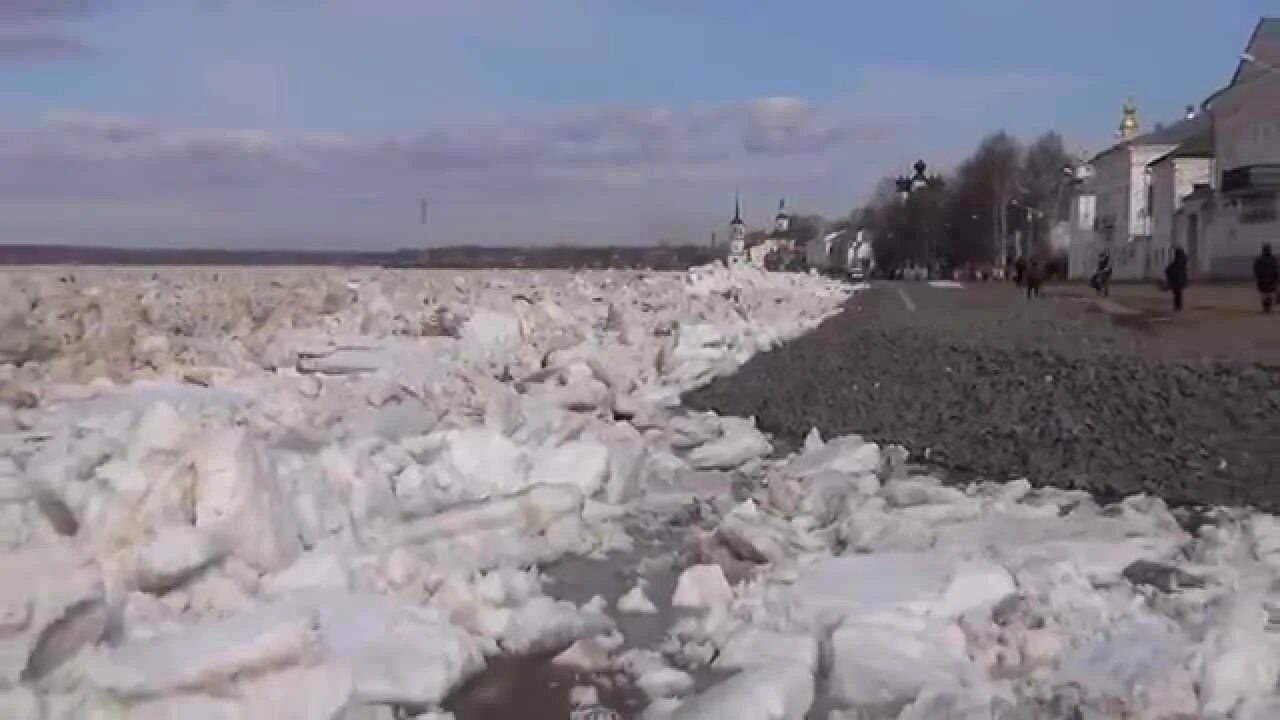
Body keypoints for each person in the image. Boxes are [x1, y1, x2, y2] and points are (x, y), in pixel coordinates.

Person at [1256, 243, 1279, 313]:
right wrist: (1277, 279)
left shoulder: (1259, 259)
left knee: (1264, 294)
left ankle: (1266, 308)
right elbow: (1276, 269)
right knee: (1269, 294)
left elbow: (1256, 269)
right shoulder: (1273, 259)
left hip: (1263, 279)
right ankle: (1268, 308)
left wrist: (1258, 277)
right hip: (1271, 279)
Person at [1165, 247, 1189, 312]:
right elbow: (1168, 270)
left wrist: (1170, 278)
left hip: (1177, 281)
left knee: (1178, 294)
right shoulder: (1179, 262)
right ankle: (1178, 307)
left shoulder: (1178, 262)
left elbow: (1168, 270)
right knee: (1178, 294)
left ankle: (1178, 307)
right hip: (1178, 281)